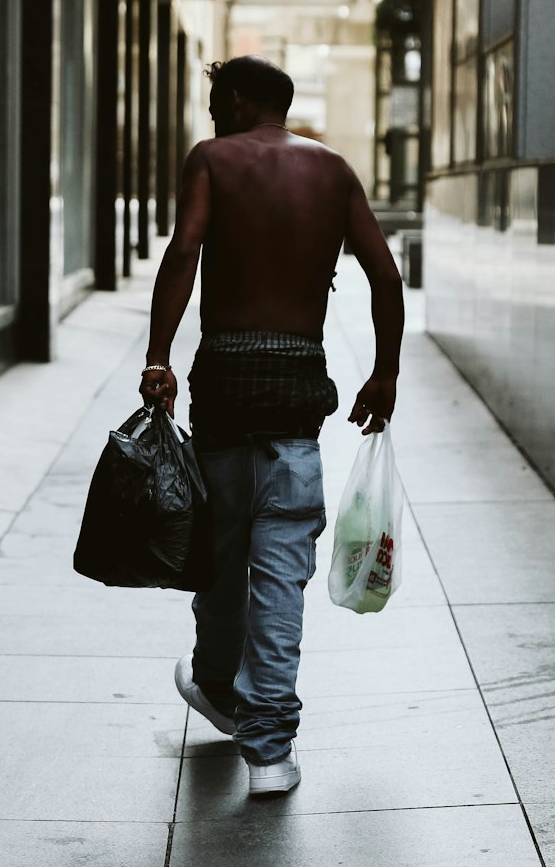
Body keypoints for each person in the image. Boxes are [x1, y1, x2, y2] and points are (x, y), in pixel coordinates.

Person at [140, 56, 404, 795]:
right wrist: (384, 373)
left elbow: (184, 252)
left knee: (221, 557)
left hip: (224, 384)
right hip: (295, 390)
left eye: (217, 99)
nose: (213, 113)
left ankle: (218, 687)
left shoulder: (214, 160)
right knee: (281, 570)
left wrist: (159, 357)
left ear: (239, 98)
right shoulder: (334, 171)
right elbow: (385, 275)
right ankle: (271, 749)